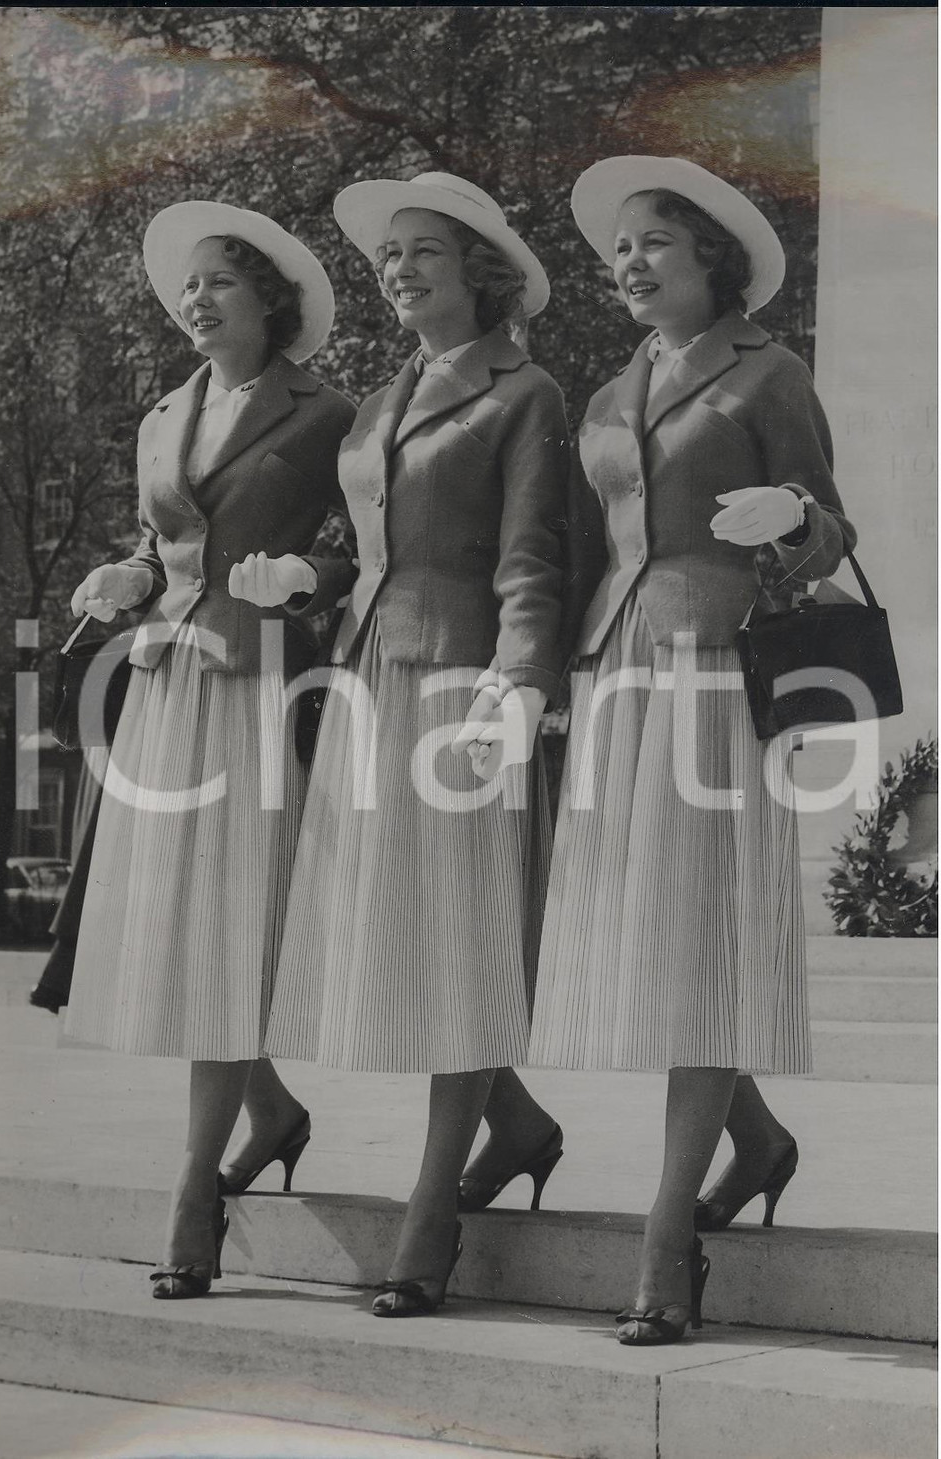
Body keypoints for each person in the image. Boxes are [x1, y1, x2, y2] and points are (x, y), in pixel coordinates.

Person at [527, 156, 856, 1344]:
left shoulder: (769, 371)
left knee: (699, 930)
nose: (629, 261)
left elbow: (829, 526)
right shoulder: (607, 393)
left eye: (653, 241)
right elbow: (580, 546)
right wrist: (550, 682)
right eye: (618, 247)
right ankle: (754, 1141)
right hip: (618, 668)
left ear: (712, 257)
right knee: (654, 932)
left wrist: (796, 519)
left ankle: (668, 1235)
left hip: (720, 669)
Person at [233, 172, 570, 1316]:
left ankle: (431, 1213)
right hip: (370, 675)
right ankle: (515, 1124)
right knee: (400, 935)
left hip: (460, 684)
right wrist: (307, 575)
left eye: (424, 250)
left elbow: (533, 558)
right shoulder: (380, 402)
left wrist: (517, 687)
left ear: (480, 269)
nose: (399, 270)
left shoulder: (524, 392)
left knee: (456, 941)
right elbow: (371, 550)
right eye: (388, 256)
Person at [62, 201, 355, 1299]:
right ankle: (269, 1112)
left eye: (220, 280)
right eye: (188, 284)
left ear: (270, 301)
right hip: (165, 681)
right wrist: (128, 575)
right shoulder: (162, 415)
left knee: (231, 930)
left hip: (260, 687)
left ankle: (195, 1192)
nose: (197, 299)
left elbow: (370, 550)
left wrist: (310, 579)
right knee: (191, 929)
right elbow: (164, 545)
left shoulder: (327, 413)